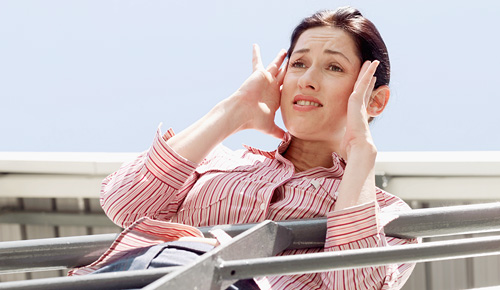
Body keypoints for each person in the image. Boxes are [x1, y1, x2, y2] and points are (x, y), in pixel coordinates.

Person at [70, 6, 418, 289]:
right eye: (298, 63)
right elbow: (124, 203)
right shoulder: (216, 162)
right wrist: (233, 110)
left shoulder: (388, 217)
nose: (307, 79)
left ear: (375, 101)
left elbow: (354, 286)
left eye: (333, 66)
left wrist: (361, 152)